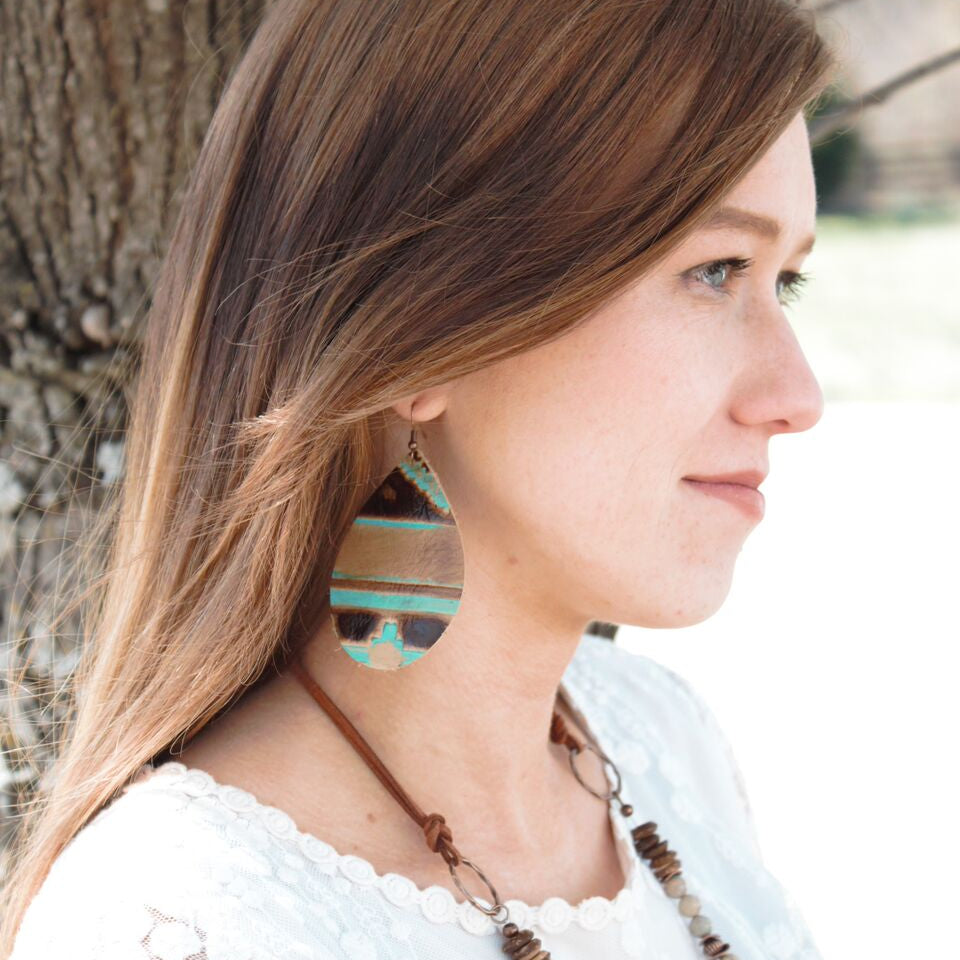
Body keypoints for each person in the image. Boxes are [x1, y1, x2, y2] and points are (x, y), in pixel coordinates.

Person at [1, 1, 838, 957]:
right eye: (716, 269)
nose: (797, 394)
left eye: (788, 282)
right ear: (417, 337)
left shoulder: (657, 736)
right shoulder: (185, 920)